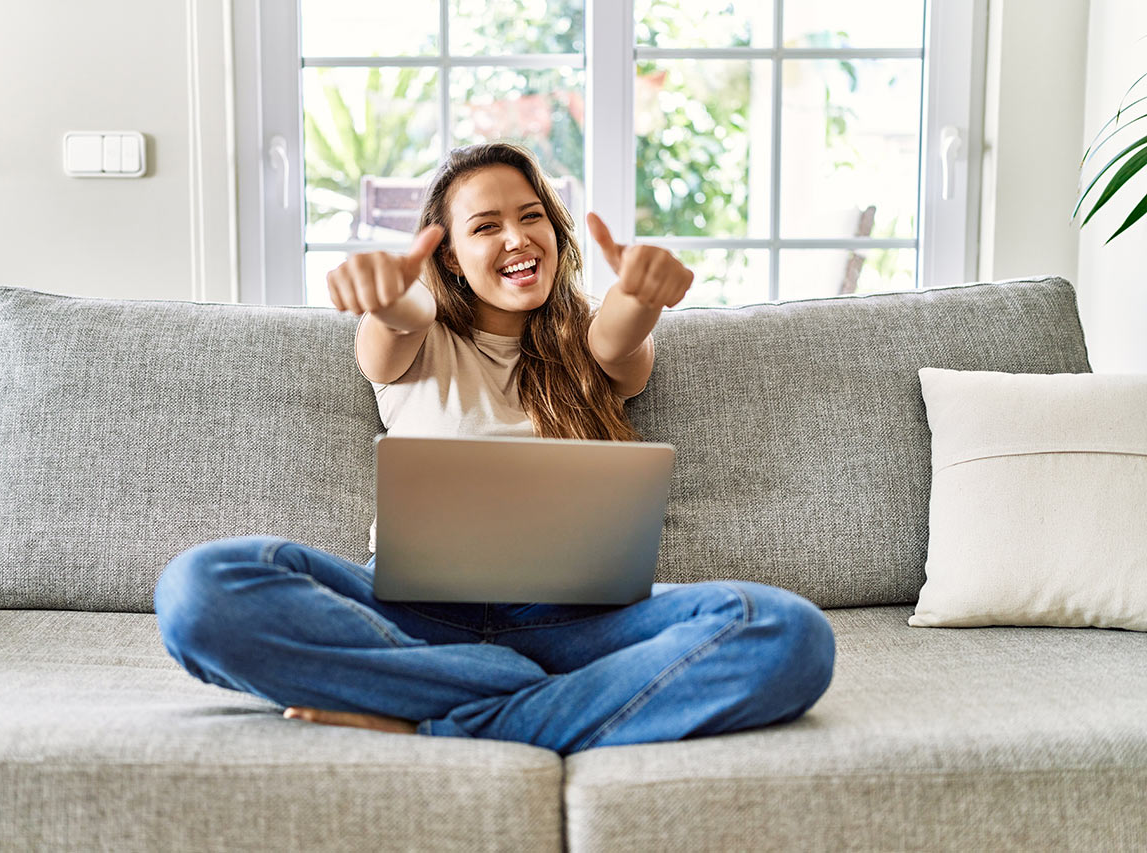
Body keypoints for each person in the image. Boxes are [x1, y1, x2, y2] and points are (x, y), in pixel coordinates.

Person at [153, 142, 835, 756]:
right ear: (449, 254)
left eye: (531, 216)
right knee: (199, 589)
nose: (517, 237)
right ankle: (533, 692)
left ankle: (442, 717)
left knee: (783, 630)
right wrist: (390, 295)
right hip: (409, 616)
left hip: (574, 625)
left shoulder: (592, 338)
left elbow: (619, 334)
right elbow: (404, 315)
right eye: (485, 226)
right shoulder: (413, 339)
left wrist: (640, 294)